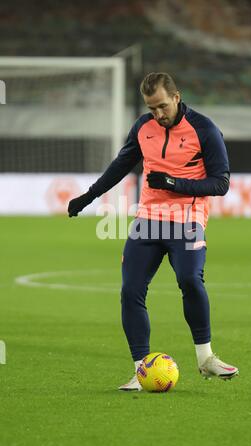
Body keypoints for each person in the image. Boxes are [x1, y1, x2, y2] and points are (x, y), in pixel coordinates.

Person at [68, 72, 238, 391]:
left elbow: (221, 183)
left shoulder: (205, 130)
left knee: (189, 279)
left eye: (162, 106)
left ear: (176, 97)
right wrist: (87, 196)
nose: (158, 115)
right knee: (130, 290)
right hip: (148, 218)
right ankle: (141, 369)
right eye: (151, 109)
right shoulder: (143, 128)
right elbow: (121, 165)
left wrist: (174, 184)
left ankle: (206, 358)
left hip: (187, 218)